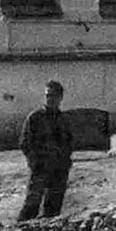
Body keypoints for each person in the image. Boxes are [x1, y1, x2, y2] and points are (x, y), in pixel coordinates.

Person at [17, 79, 74, 221]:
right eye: (47, 95)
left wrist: (64, 162)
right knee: (31, 207)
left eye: (53, 96)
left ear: (60, 98)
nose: (50, 99)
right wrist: (34, 161)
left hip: (58, 169)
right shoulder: (35, 118)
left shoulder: (64, 120)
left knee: (53, 209)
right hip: (40, 168)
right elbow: (25, 143)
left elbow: (69, 142)